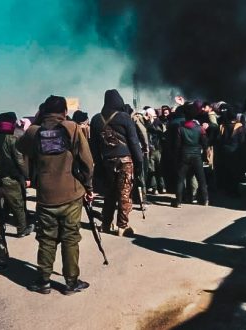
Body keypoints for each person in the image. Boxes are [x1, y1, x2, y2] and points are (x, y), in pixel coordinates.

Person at [17, 95, 94, 295]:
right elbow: (87, 162)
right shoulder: (72, 128)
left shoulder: (33, 132)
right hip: (71, 193)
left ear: (43, 112)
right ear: (64, 112)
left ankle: (43, 281)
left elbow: (20, 150)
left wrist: (36, 121)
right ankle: (71, 282)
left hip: (46, 195)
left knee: (47, 240)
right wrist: (88, 186)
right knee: (70, 239)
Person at [90, 89, 143, 236]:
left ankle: (106, 224)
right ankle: (122, 226)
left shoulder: (95, 120)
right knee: (124, 193)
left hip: (106, 161)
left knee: (110, 193)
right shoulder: (124, 117)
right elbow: (134, 142)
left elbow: (93, 146)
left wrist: (99, 164)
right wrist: (139, 164)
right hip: (125, 161)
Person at [0, 112, 33, 238]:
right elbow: (19, 160)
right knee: (18, 205)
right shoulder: (12, 139)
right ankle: (22, 229)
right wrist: (27, 176)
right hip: (11, 177)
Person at [173, 104, 209, 208]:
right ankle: (205, 200)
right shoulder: (200, 129)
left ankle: (178, 202)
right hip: (197, 155)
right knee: (201, 179)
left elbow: (177, 145)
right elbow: (205, 143)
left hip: (184, 155)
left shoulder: (180, 129)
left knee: (180, 179)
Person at [145, 107, 165, 194]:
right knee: (151, 169)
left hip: (157, 149)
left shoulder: (158, 122)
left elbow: (161, 133)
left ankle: (162, 186)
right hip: (151, 149)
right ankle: (155, 187)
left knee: (159, 168)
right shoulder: (147, 122)